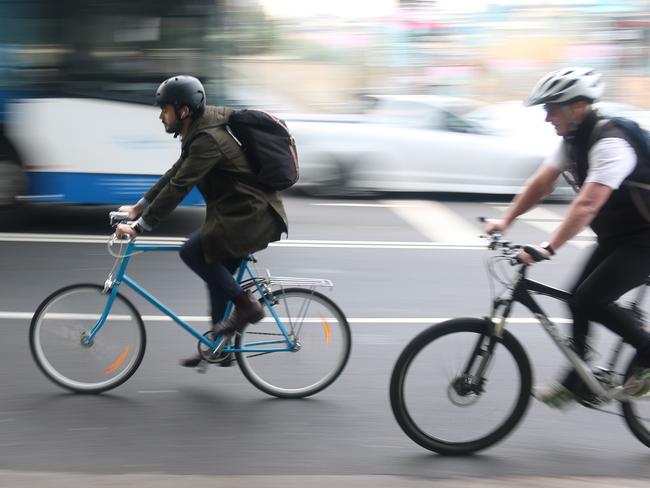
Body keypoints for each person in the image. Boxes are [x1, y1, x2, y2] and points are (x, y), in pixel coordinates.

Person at [484, 67, 650, 408]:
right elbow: (541, 182)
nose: (547, 118)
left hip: (645, 238)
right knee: (576, 297)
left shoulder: (611, 144)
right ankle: (579, 379)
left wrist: (548, 247)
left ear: (578, 107)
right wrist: (506, 219)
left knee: (591, 298)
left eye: (552, 108)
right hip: (621, 236)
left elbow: (588, 204)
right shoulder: (574, 143)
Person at [115, 75, 288, 369]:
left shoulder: (208, 139)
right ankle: (218, 347)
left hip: (249, 216)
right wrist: (138, 207)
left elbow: (179, 187)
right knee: (216, 277)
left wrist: (141, 226)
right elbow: (175, 173)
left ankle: (247, 307)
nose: (160, 116)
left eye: (165, 109)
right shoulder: (199, 130)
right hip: (238, 213)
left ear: (183, 111)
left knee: (192, 252)